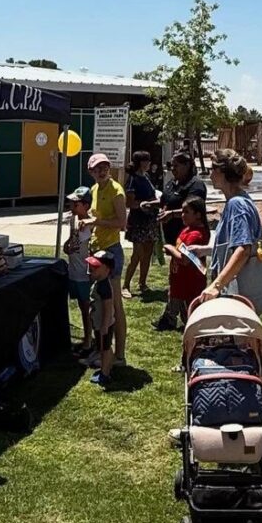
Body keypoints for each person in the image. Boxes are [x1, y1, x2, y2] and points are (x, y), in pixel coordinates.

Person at [198, 149, 262, 314]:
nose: (210, 175)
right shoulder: (240, 200)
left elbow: (243, 249)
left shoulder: (236, 205)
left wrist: (216, 286)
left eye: (212, 170)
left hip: (236, 297)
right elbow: (234, 246)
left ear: (222, 173)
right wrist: (203, 250)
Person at [81, 153, 127, 365]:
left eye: (105, 167)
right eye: (97, 168)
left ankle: (119, 355)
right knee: (99, 305)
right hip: (97, 251)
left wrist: (96, 221)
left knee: (114, 305)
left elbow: (121, 222)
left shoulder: (116, 191)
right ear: (91, 172)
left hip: (111, 252)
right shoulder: (94, 189)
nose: (101, 171)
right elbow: (93, 217)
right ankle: (102, 350)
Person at [154, 196, 210, 330]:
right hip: (178, 278)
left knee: (190, 316)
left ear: (198, 215)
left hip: (189, 282)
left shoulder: (196, 235)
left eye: (186, 212)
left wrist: (170, 248)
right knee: (173, 300)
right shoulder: (187, 229)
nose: (182, 215)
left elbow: (185, 260)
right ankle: (168, 320)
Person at [122, 150, 159, 298]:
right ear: (140, 162)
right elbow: (129, 202)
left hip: (149, 221)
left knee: (148, 253)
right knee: (137, 254)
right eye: (147, 161)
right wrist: (144, 204)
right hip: (137, 222)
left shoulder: (147, 176)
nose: (149, 163)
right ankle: (125, 285)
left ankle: (142, 283)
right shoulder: (132, 179)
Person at [63, 186, 94, 357]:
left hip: (84, 273)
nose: (72, 207)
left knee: (86, 307)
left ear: (86, 205)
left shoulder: (90, 224)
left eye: (76, 204)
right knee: (81, 307)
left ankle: (89, 340)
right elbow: (71, 242)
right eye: (71, 203)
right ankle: (86, 337)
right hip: (73, 270)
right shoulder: (73, 220)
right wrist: (66, 245)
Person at [157, 152, 207, 246]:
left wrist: (171, 214)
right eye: (171, 166)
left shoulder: (196, 185)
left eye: (176, 166)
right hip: (171, 235)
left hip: (189, 235)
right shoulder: (172, 183)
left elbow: (194, 209)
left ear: (187, 165)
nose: (173, 169)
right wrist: (151, 204)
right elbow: (165, 201)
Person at [86, 250, 116, 387]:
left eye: (96, 267)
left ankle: (105, 374)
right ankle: (105, 369)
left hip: (103, 325)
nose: (91, 269)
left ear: (107, 269)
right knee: (103, 347)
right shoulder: (99, 282)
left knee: (105, 348)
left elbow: (108, 307)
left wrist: (104, 325)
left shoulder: (104, 287)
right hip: (99, 324)